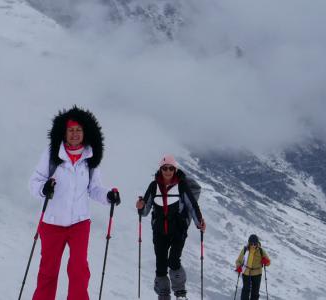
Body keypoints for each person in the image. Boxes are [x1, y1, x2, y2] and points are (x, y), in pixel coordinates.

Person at [28, 106, 121, 300]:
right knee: (48, 272)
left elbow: (94, 188)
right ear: (64, 132)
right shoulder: (52, 154)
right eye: (71, 130)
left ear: (85, 132)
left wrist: (108, 196)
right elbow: (34, 182)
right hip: (52, 222)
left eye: (78, 130)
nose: (75, 134)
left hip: (79, 223)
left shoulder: (90, 157)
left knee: (79, 272)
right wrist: (43, 188)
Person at [135, 154, 205, 300]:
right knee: (160, 266)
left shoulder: (181, 185)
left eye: (171, 168)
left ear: (175, 169)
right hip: (159, 232)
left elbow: (192, 205)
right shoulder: (154, 186)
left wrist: (199, 222)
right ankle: (163, 294)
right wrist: (140, 207)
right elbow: (145, 210)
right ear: (160, 169)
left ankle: (180, 292)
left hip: (178, 230)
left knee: (173, 260)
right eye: (165, 168)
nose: (168, 171)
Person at [234, 234, 271, 300]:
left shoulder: (261, 251)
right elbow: (238, 261)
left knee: (255, 292)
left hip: (257, 273)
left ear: (257, 243)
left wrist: (265, 261)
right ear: (249, 243)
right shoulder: (245, 250)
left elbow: (268, 263)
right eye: (252, 244)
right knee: (246, 290)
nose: (253, 245)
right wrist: (238, 266)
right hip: (246, 272)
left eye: (255, 244)